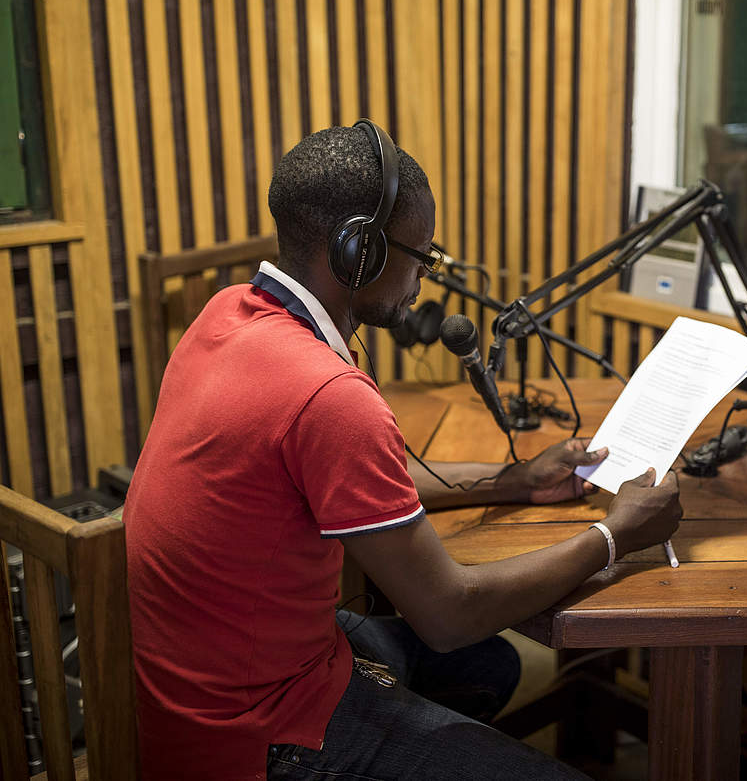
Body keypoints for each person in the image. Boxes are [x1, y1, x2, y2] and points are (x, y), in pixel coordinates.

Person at [124, 121, 683, 781]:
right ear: (357, 250)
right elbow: (450, 612)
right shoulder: (327, 393)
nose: (425, 275)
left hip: (194, 693)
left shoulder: (227, 314)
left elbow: (352, 487)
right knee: (486, 672)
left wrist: (516, 481)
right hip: (250, 737)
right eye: (421, 253)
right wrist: (617, 534)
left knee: (490, 666)